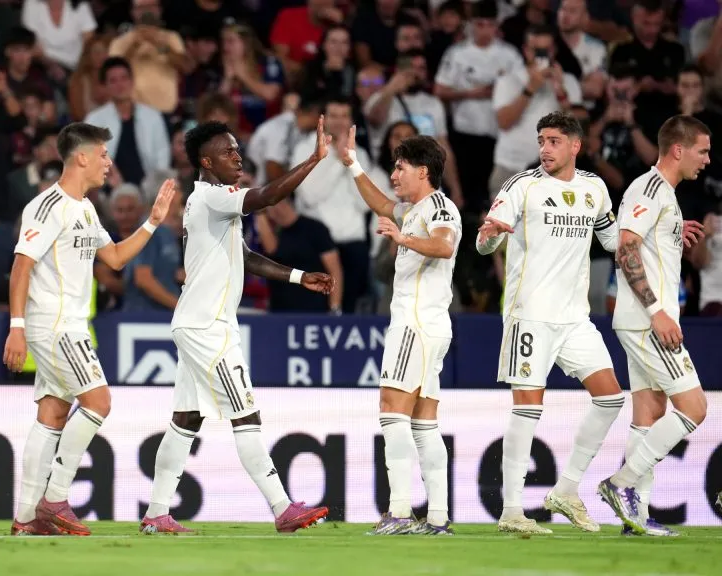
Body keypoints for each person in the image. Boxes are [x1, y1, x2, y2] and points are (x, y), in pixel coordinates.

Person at [139, 118, 334, 534]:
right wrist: (315, 159)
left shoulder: (210, 202)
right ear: (206, 161)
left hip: (196, 323)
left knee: (186, 420)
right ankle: (283, 509)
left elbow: (243, 255)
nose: (238, 157)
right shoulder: (213, 196)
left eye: (237, 149)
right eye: (229, 152)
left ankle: (157, 513)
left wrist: (300, 276)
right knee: (245, 414)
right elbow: (266, 196)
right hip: (209, 327)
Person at [3, 122, 176, 536]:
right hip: (56, 325)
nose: (107, 163)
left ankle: (25, 518)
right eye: (102, 154)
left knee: (53, 412)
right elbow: (20, 267)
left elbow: (115, 258)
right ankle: (56, 498)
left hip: (70, 325)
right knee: (98, 401)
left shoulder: (84, 208)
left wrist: (151, 223)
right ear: (81, 157)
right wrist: (16, 327)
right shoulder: (47, 207)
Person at [476, 111, 623, 535]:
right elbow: (486, 244)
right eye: (541, 140)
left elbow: (612, 240)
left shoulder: (594, 188)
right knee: (527, 408)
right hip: (530, 315)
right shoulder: (523, 185)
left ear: (576, 146)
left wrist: (657, 229)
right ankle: (512, 510)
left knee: (611, 398)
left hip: (575, 318)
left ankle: (567, 489)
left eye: (555, 141)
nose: (545, 148)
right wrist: (489, 235)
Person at [338, 128, 461, 535]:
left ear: (423, 171)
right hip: (427, 324)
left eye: (400, 167)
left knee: (392, 409)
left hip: (417, 323)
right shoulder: (419, 208)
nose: (394, 174)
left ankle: (400, 512)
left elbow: (444, 246)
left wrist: (402, 236)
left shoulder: (440, 208)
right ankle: (439, 518)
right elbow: (383, 205)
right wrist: (352, 164)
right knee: (424, 423)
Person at [599, 115, 711, 536]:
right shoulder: (648, 188)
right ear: (678, 150)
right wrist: (657, 311)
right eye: (702, 150)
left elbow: (642, 240)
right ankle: (621, 484)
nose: (707, 159)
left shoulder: (664, 196)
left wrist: (672, 233)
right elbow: (625, 249)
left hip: (641, 321)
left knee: (649, 412)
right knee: (695, 408)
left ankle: (636, 517)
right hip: (649, 321)